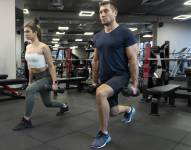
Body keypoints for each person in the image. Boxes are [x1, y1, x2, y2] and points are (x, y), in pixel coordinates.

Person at [90, 1, 139, 149]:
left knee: (101, 93)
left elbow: (132, 59)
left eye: (106, 11)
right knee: (112, 111)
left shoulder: (125, 33)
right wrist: (93, 80)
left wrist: (134, 84)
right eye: (100, 12)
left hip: (120, 75)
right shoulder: (98, 36)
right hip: (105, 77)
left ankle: (104, 133)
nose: (103, 14)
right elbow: (96, 60)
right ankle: (129, 110)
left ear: (115, 13)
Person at [13, 21, 69, 131]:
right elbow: (30, 67)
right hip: (37, 77)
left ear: (35, 32)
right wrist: (29, 81)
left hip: (46, 77)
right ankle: (64, 106)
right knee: (48, 103)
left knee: (29, 90)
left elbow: (51, 66)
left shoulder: (44, 47)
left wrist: (55, 82)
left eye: (28, 31)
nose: (26, 34)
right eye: (25, 32)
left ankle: (26, 120)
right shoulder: (28, 47)